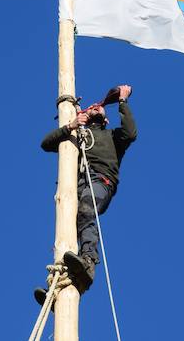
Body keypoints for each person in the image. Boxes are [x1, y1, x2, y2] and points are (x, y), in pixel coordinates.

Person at [36, 84, 137, 300]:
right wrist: (70, 126)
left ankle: (88, 263)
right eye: (90, 107)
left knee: (86, 210)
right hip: (75, 186)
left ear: (106, 119)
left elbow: (131, 132)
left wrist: (122, 101)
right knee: (68, 228)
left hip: (100, 180)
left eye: (99, 108)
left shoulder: (112, 137)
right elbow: (45, 144)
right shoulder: (75, 136)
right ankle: (62, 287)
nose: (95, 107)